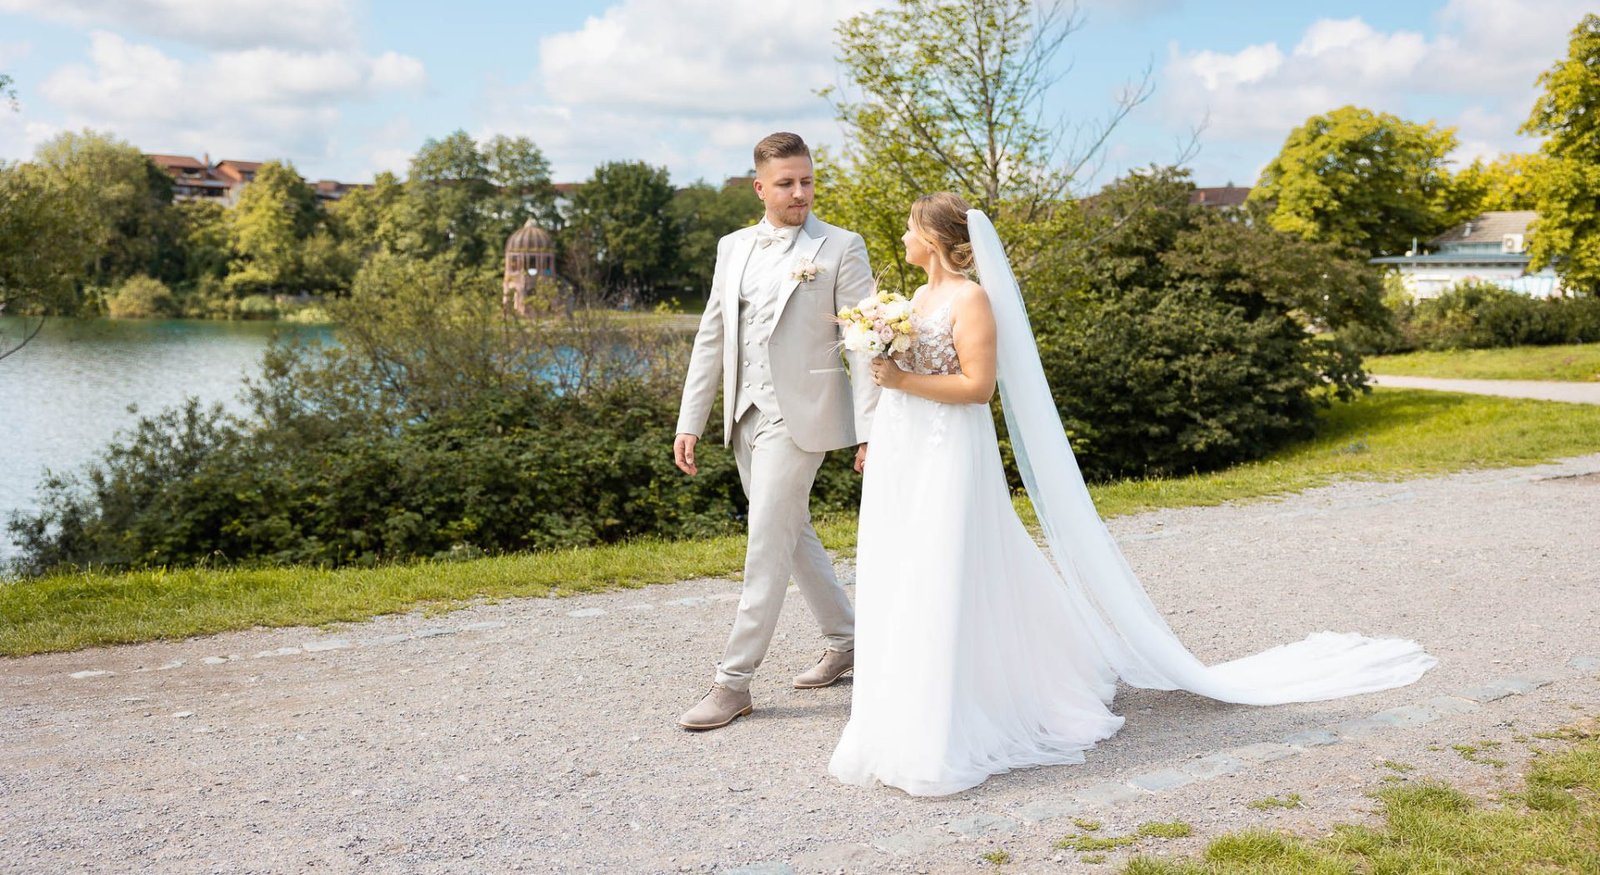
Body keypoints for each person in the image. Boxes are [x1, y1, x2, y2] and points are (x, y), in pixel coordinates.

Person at [828, 193, 1435, 795]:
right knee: (909, 567)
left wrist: (901, 377)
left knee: (948, 565)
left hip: (949, 450)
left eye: (910, 228)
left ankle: (953, 718)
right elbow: (899, 381)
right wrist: (881, 419)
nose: (903, 237)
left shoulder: (971, 299)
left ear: (932, 238)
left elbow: (978, 387)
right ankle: (912, 697)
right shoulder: (913, 300)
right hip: (906, 447)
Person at [672, 133, 880, 731]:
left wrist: (870, 427)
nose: (799, 193)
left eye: (807, 181)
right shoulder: (732, 247)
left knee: (765, 542)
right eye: (786, 183)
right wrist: (692, 420)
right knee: (792, 532)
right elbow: (712, 336)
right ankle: (846, 641)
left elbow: (864, 343)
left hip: (803, 416)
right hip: (746, 414)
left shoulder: (841, 246)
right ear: (760, 187)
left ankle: (732, 683)